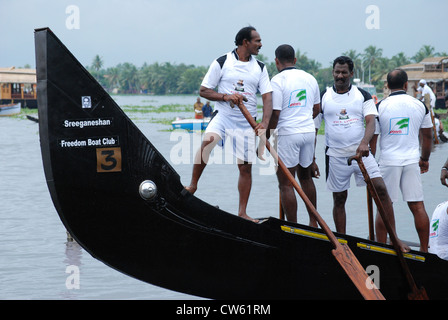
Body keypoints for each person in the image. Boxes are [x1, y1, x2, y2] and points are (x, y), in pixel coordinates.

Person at [185, 26, 273, 222]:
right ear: (245, 42)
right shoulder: (222, 62)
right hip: (224, 115)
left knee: (245, 168)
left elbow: (267, 97)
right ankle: (192, 185)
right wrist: (225, 96)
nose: (260, 44)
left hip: (247, 121)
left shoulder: (260, 67)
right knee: (208, 141)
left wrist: (265, 123)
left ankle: (242, 213)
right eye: (257, 41)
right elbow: (204, 90)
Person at [320, 56, 408, 251]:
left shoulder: (362, 96)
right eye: (337, 72)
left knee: (382, 192)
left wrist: (364, 143)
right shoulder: (324, 95)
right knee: (340, 199)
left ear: (351, 74)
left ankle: (393, 239)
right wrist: (310, 159)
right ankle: (342, 242)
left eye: (344, 72)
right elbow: (314, 123)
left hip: (361, 154)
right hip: (335, 155)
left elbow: (370, 122)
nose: (340, 76)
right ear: (333, 72)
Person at [374, 69, 433, 252]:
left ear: (387, 86)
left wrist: (372, 165)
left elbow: (373, 140)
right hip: (411, 161)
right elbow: (428, 137)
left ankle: (382, 248)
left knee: (384, 207)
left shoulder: (379, 106)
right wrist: (424, 159)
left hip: (388, 161)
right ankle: (424, 251)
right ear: (407, 85)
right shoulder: (419, 105)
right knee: (417, 205)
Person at [266, 44, 320, 225]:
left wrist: (266, 135)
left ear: (276, 61)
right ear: (295, 60)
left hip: (288, 134)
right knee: (306, 178)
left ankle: (293, 226)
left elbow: (275, 113)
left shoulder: (277, 80)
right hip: (308, 132)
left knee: (286, 184)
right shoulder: (310, 78)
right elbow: (316, 109)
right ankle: (313, 223)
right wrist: (302, 120)